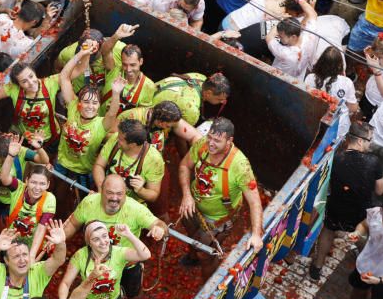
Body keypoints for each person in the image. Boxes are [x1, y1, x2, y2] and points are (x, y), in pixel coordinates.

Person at [65, 175, 167, 299]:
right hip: (96, 266)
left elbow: (160, 224)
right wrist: (59, 238)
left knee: (134, 294)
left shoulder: (135, 208)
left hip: (127, 265)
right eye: (110, 193)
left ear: (125, 193)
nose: (115, 198)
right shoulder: (89, 203)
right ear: (101, 190)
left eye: (119, 194)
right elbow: (73, 224)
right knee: (94, 294)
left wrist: (159, 229)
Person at [178, 118, 264, 274]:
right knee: (192, 236)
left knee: (206, 255)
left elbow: (255, 202)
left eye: (217, 140)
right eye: (209, 137)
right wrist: (186, 195)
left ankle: (208, 283)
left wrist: (256, 234)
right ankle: (192, 257)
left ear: (229, 141)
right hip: (192, 205)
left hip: (216, 220)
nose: (210, 143)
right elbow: (184, 165)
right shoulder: (202, 145)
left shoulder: (240, 166)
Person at [59, 220, 151, 299]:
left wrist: (128, 234)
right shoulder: (80, 256)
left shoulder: (119, 253)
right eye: (96, 239)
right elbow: (65, 283)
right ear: (89, 243)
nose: (103, 242)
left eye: (104, 236)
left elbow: (145, 254)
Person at [310, 122, 383, 280]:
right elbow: (380, 190)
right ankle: (367, 270)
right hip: (360, 212)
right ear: (360, 141)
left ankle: (317, 266)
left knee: (328, 231)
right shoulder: (374, 162)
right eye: (370, 140)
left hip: (336, 206)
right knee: (364, 235)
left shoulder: (336, 158)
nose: (371, 144)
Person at [55, 43, 124, 192]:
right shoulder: (73, 108)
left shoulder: (101, 124)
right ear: (79, 103)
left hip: (85, 172)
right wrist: (82, 54)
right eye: (86, 102)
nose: (89, 106)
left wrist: (116, 93)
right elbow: (64, 78)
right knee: (54, 191)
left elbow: (112, 113)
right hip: (61, 163)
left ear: (99, 106)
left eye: (94, 103)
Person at [0, 61, 63, 147]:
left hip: (51, 135)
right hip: (25, 137)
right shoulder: (13, 89)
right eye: (24, 81)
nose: (31, 83)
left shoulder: (50, 83)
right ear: (18, 84)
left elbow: (70, 73)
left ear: (34, 72)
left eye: (31, 76)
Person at [0, 139, 57, 261]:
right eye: (33, 182)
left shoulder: (50, 199)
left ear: (48, 185)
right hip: (10, 239)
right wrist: (10, 156)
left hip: (32, 245)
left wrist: (31, 255)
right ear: (26, 181)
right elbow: (4, 178)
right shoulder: (18, 188)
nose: (37, 187)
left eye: (42, 184)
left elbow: (42, 228)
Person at [93, 118, 166, 205]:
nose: (116, 138)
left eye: (120, 139)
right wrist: (102, 189)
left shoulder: (154, 160)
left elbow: (154, 195)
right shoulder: (115, 139)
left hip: (132, 205)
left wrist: (140, 190)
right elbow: (99, 165)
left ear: (132, 144)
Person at [152, 71, 231, 126]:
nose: (222, 102)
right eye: (219, 99)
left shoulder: (199, 77)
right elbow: (181, 135)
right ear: (208, 93)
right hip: (149, 114)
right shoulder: (192, 111)